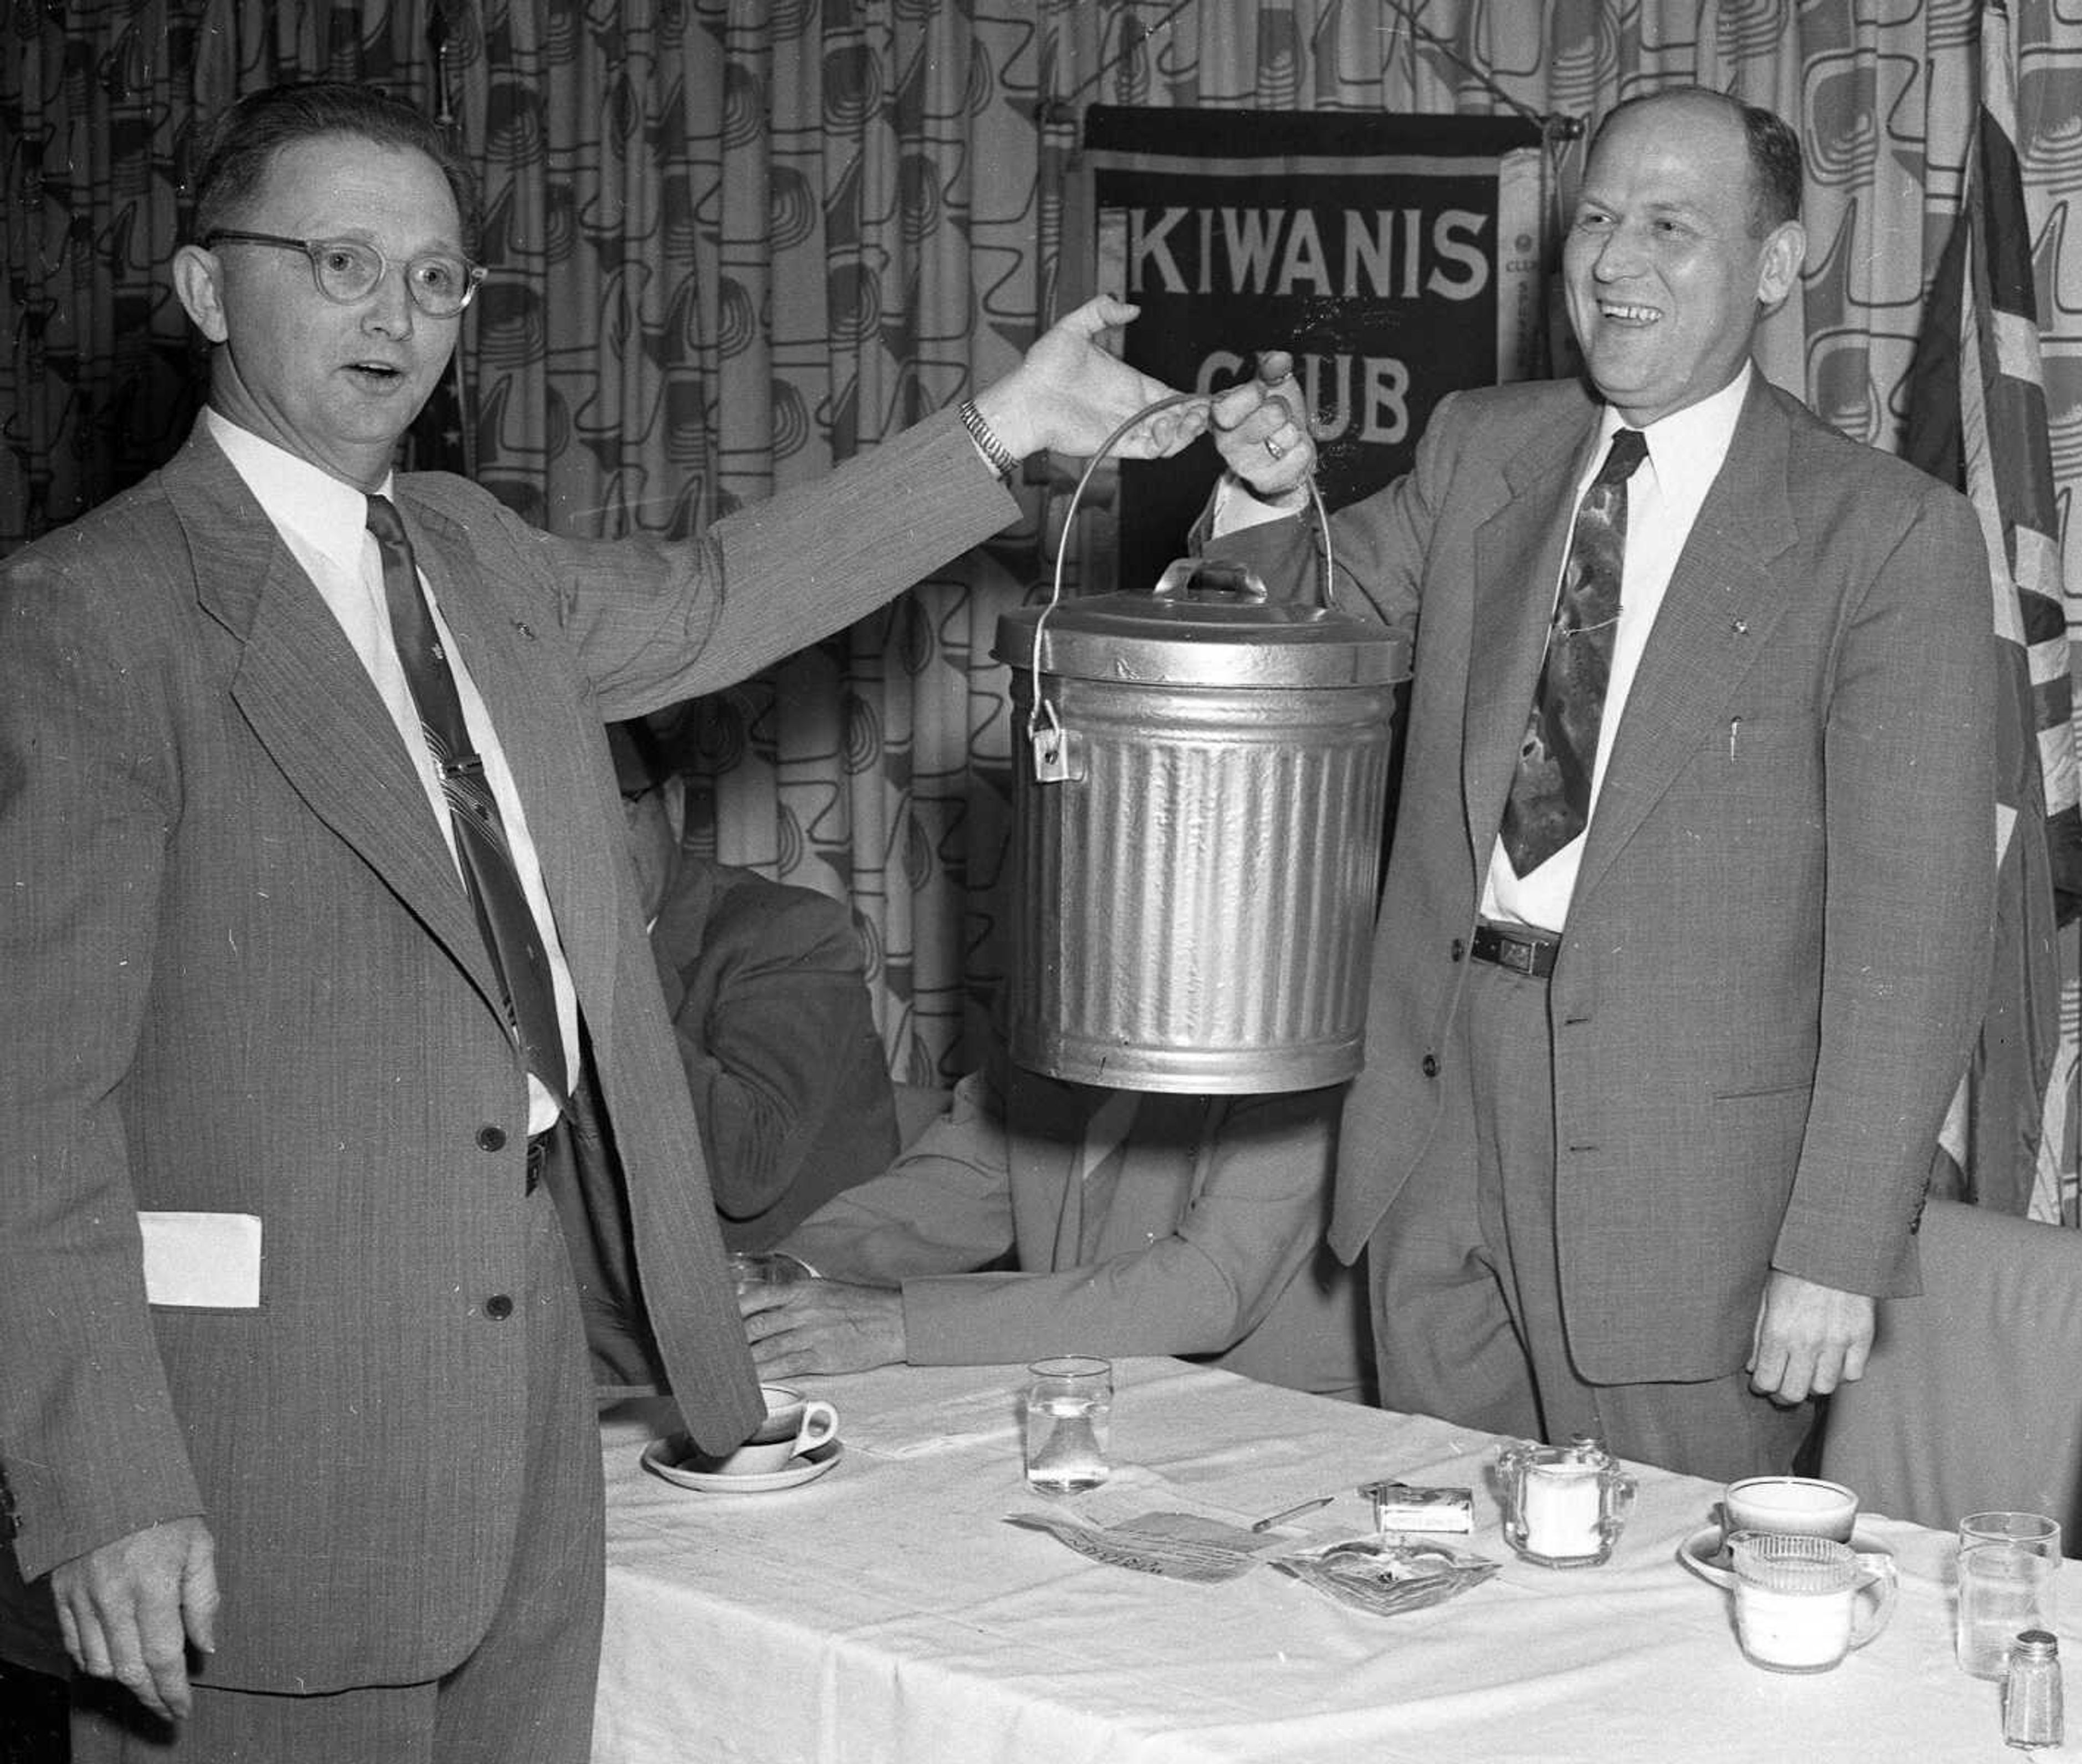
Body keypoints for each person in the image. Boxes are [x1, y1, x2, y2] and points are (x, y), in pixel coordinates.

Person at [0, 79, 1201, 1764]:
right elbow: (25, 1106)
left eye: (437, 281)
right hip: (256, 1471)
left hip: (525, 1468)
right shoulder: (82, 616)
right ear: (208, 290)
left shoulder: (473, 549)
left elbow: (719, 595)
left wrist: (1006, 426)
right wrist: (103, 1483)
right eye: (339, 262)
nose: (395, 316)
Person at [1196, 86, 1996, 1482]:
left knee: (1661, 1631)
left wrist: (1833, 1251)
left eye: (1670, 228)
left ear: (1772, 266)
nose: (1613, 264)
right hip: (1434, 1136)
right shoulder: (1476, 450)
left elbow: (1915, 941)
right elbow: (1292, 635)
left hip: (1691, 1202)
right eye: (1598, 221)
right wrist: (1264, 502)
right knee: (1443, 1577)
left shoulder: (1884, 537)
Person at [737, 1061, 1372, 1402]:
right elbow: (947, 1189)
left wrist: (900, 1322)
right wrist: (781, 1276)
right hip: (1095, 1415)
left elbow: (1203, 1292)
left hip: (1272, 1433)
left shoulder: (1297, 1061)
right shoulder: (1053, 1039)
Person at [608, 717, 900, 1251]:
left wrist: (590, 974)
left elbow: (748, 1168)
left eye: (616, 804)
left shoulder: (786, 932)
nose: (582, 841)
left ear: (672, 807)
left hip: (774, 1304)